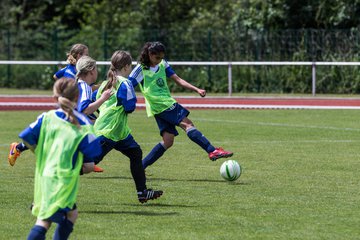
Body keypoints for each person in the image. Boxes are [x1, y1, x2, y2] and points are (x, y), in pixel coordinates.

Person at [128, 41, 233, 170]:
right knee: (188, 124)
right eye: (157, 57)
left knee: (168, 141)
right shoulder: (140, 69)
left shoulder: (162, 64)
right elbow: (127, 86)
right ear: (150, 54)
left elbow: (177, 79)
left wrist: (196, 89)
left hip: (159, 108)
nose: (159, 60)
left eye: (161, 57)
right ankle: (212, 150)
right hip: (163, 104)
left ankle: (140, 167)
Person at [22, 78, 102, 240]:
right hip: (64, 182)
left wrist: (40, 154)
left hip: (44, 177)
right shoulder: (83, 123)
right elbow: (91, 160)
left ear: (54, 97)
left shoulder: (46, 117)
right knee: (45, 220)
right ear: (77, 98)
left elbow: (26, 138)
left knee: (69, 214)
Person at [94, 50, 163, 203]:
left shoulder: (105, 84)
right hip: (109, 132)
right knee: (87, 164)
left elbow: (96, 104)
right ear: (126, 67)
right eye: (130, 66)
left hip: (119, 132)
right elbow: (129, 107)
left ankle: (142, 192)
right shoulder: (126, 83)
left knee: (136, 153)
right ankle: (55, 179)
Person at [8, 44, 90, 167]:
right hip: (66, 107)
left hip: (69, 105)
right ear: (79, 56)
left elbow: (55, 76)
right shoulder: (73, 72)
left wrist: (60, 86)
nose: (88, 56)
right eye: (86, 54)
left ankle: (88, 160)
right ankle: (18, 147)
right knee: (50, 133)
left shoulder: (69, 69)